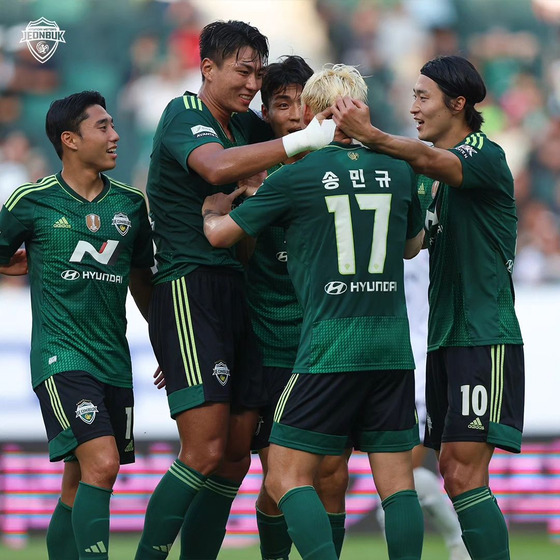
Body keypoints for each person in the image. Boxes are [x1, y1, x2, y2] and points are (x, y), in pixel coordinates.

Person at [202, 63, 425, 560]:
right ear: (361, 105)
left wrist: (213, 209)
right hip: (392, 345)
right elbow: (412, 247)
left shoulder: (296, 176)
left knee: (283, 478)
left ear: (310, 112)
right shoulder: (402, 170)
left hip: (329, 347)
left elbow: (221, 237)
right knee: (397, 485)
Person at [135, 20, 336, 560]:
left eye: (256, 74)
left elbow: (275, 156)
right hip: (191, 286)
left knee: (233, 459)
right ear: (207, 68)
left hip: (237, 296)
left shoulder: (247, 126)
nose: (251, 84)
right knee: (204, 451)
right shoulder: (186, 114)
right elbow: (218, 167)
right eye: (242, 71)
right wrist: (167, 331)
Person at [329, 55, 524, 560]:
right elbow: (411, 244)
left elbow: (434, 161)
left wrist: (371, 136)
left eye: (423, 97)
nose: (413, 107)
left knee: (462, 472)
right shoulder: (423, 173)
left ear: (457, 104)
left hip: (485, 335)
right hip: (442, 339)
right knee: (445, 473)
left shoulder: (483, 154)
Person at [0, 90, 154, 560]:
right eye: (103, 127)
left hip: (113, 360)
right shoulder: (33, 200)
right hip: (60, 357)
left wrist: (167, 346)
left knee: (78, 481)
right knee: (103, 465)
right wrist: (15, 265)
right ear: (70, 139)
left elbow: (143, 282)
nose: (116, 135)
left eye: (113, 125)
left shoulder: (130, 205)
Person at [246, 55, 349, 560]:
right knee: (277, 481)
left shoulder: (342, 173)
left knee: (332, 475)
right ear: (265, 113)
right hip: (270, 349)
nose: (292, 115)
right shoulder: (251, 171)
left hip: (327, 348)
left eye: (300, 105)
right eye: (280, 105)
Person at [377, 176, 470, 560]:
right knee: (400, 482)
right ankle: (456, 540)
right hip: (379, 358)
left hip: (414, 361)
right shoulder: (388, 231)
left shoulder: (434, 235)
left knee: (400, 482)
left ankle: (457, 540)